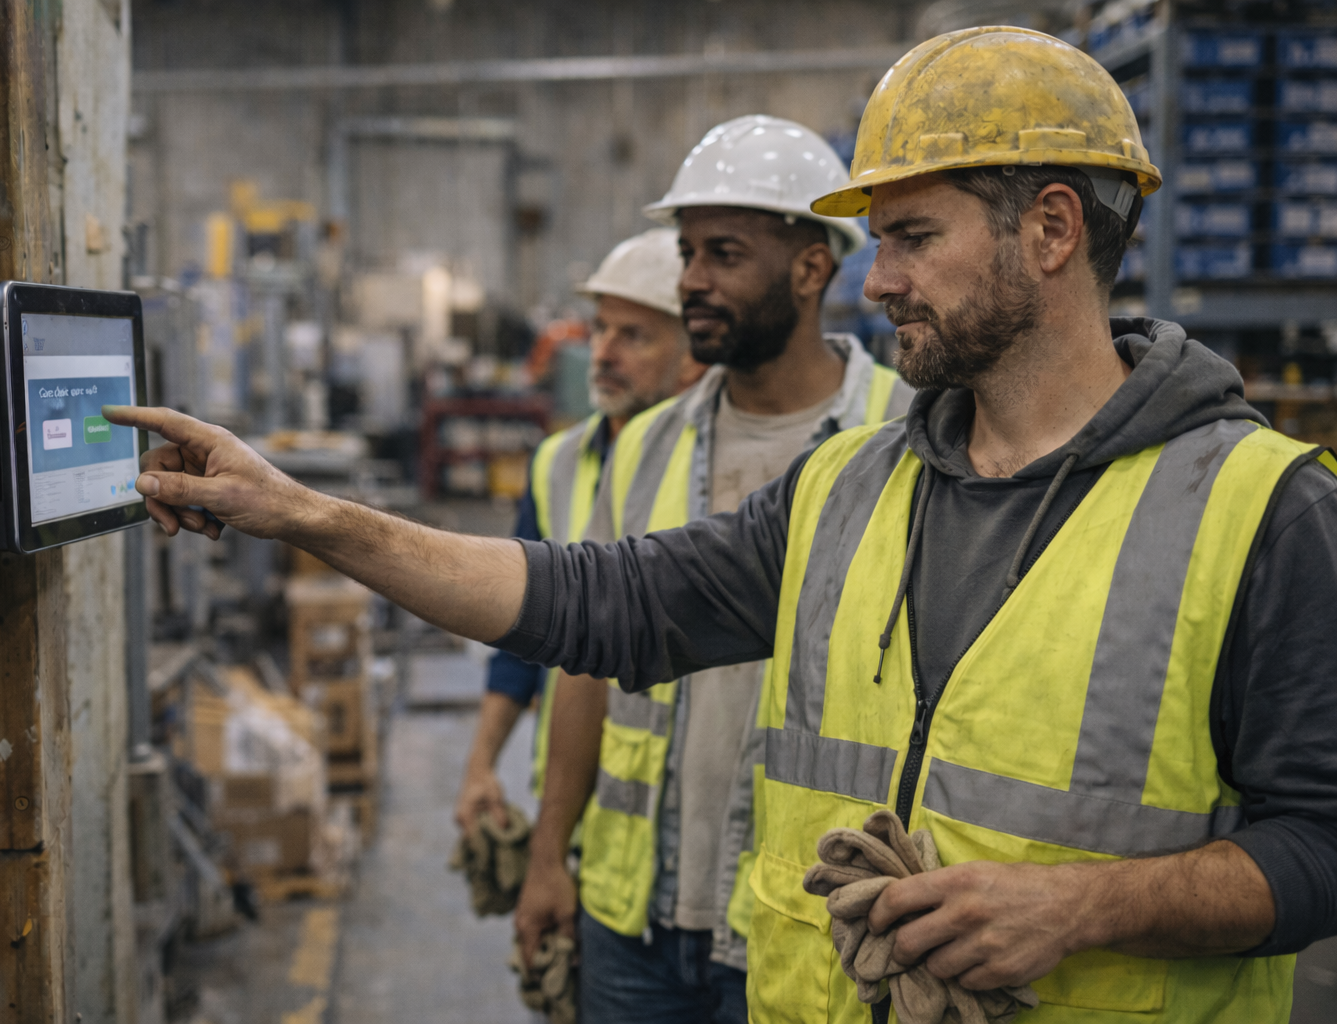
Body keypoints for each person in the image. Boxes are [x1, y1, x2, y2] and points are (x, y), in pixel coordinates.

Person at [106, 26, 1337, 1024]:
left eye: (912, 237)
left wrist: (1082, 908)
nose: (879, 280)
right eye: (875, 243)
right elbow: (597, 600)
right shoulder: (848, 487)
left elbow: (1319, 845)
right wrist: (304, 514)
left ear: (1054, 231)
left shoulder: (1259, 510)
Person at [513, 115, 912, 1024]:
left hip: (804, 925)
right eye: (688, 251)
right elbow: (585, 663)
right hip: (635, 921)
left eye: (722, 253)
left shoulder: (907, 440)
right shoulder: (646, 445)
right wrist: (547, 858)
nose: (690, 278)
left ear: (812, 268)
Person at [454, 228, 703, 835]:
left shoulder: (717, 474)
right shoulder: (556, 463)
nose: (603, 352)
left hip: (681, 822)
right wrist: (481, 761)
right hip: (574, 821)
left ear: (694, 355)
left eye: (634, 335)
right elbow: (521, 631)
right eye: (601, 330)